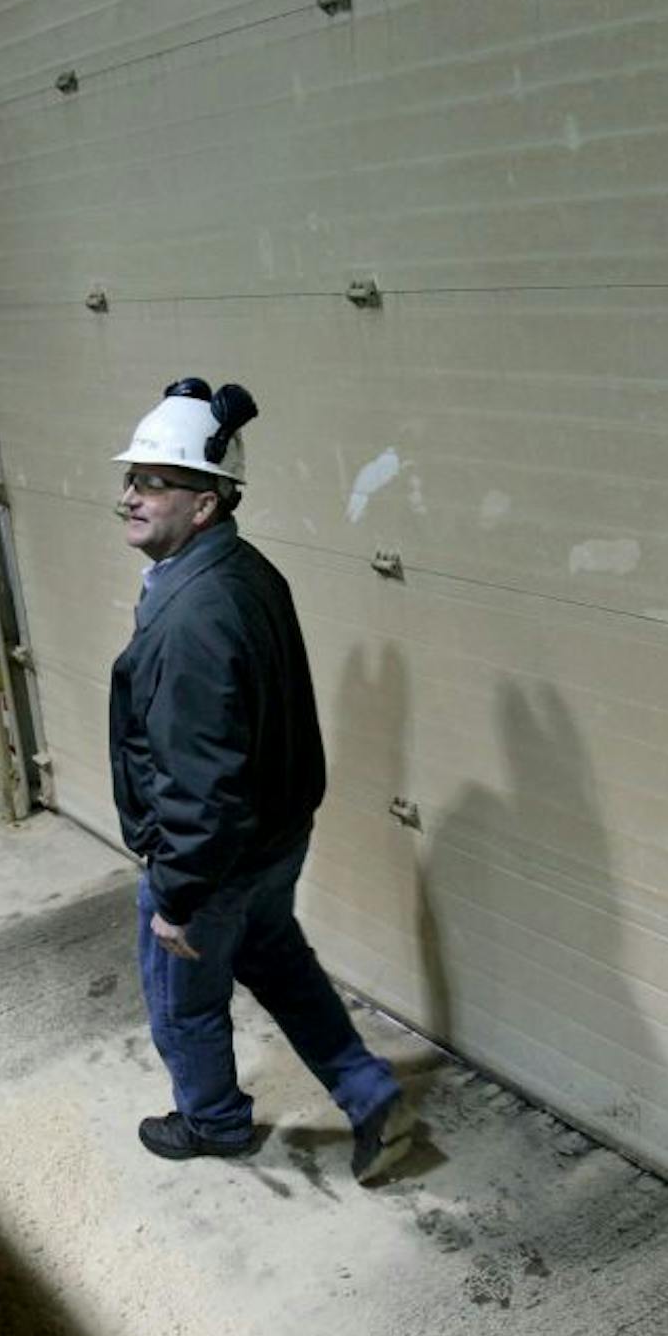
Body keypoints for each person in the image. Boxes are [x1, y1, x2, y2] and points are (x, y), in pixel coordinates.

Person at [108, 377, 417, 1184]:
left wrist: (176, 892)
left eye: (152, 481)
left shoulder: (191, 615)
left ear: (204, 503)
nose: (129, 496)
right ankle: (366, 1087)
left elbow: (199, 781)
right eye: (131, 478)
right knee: (275, 955)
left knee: (185, 998)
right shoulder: (246, 571)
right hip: (275, 836)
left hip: (214, 857)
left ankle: (212, 1122)